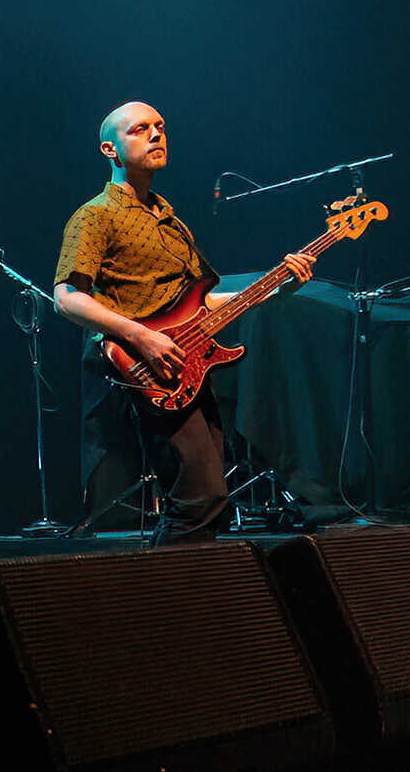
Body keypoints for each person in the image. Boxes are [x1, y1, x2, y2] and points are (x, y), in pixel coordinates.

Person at [52, 101, 311, 545]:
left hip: (185, 368)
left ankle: (183, 585)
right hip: (145, 369)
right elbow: (67, 298)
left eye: (160, 126)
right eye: (140, 130)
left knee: (208, 502)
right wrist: (141, 336)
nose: (157, 134)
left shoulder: (171, 221)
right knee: (199, 498)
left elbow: (201, 304)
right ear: (110, 150)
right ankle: (166, 587)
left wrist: (276, 288)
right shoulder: (96, 214)